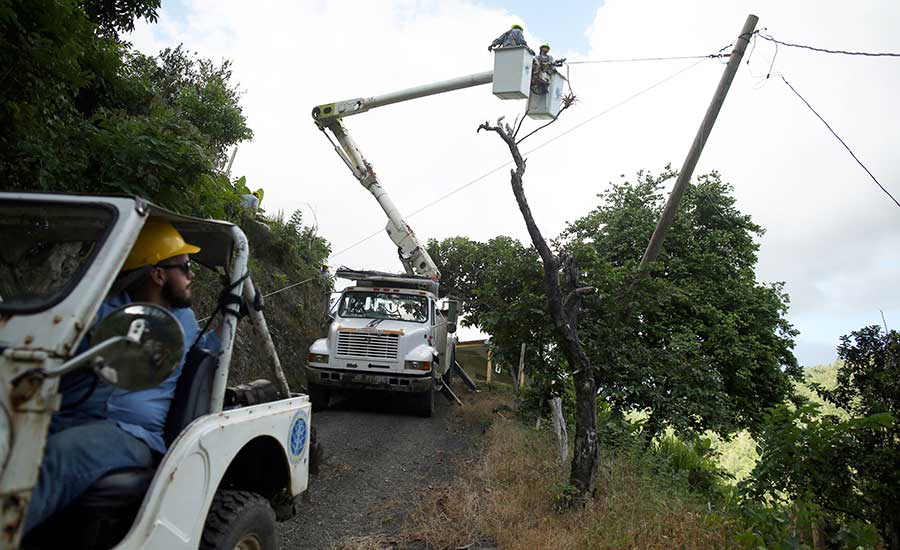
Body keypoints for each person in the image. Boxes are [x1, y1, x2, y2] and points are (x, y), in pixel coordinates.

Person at [23, 220, 219, 536]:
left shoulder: (184, 323)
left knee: (58, 455)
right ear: (158, 274)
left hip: (133, 432)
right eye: (185, 267)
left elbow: (211, 358)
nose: (191, 275)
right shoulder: (102, 311)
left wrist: (237, 312)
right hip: (71, 416)